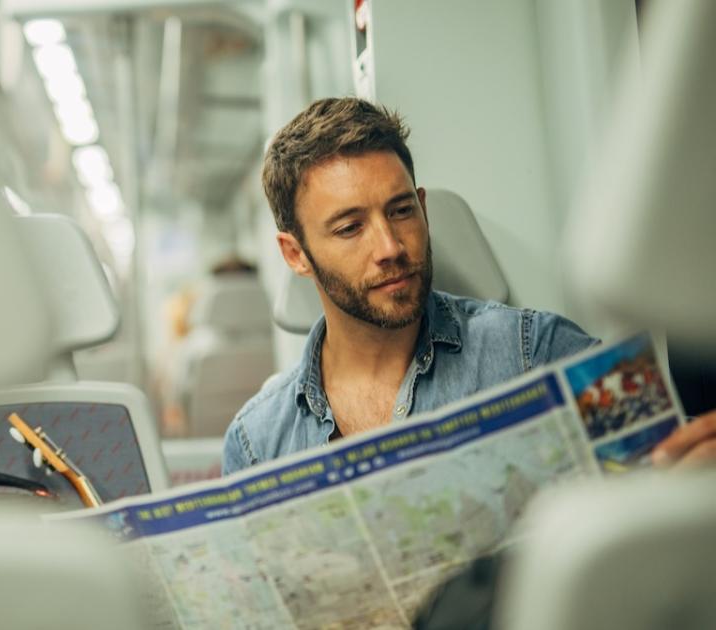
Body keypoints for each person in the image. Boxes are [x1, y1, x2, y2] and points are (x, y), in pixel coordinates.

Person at [222, 97, 716, 475]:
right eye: (350, 227)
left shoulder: (534, 352)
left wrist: (692, 465)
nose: (391, 245)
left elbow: (660, 480)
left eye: (400, 211)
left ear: (422, 207)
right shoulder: (256, 440)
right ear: (295, 254)